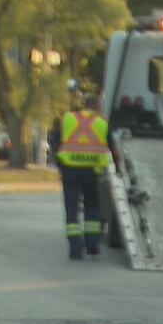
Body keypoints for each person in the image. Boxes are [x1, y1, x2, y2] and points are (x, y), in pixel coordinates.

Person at [53, 94, 110, 260]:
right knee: (92, 207)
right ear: (97, 106)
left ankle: (75, 249)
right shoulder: (102, 122)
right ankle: (92, 246)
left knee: (71, 208)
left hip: (70, 170)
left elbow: (56, 142)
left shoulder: (68, 119)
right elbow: (112, 148)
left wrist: (59, 163)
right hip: (92, 171)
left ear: (84, 105)